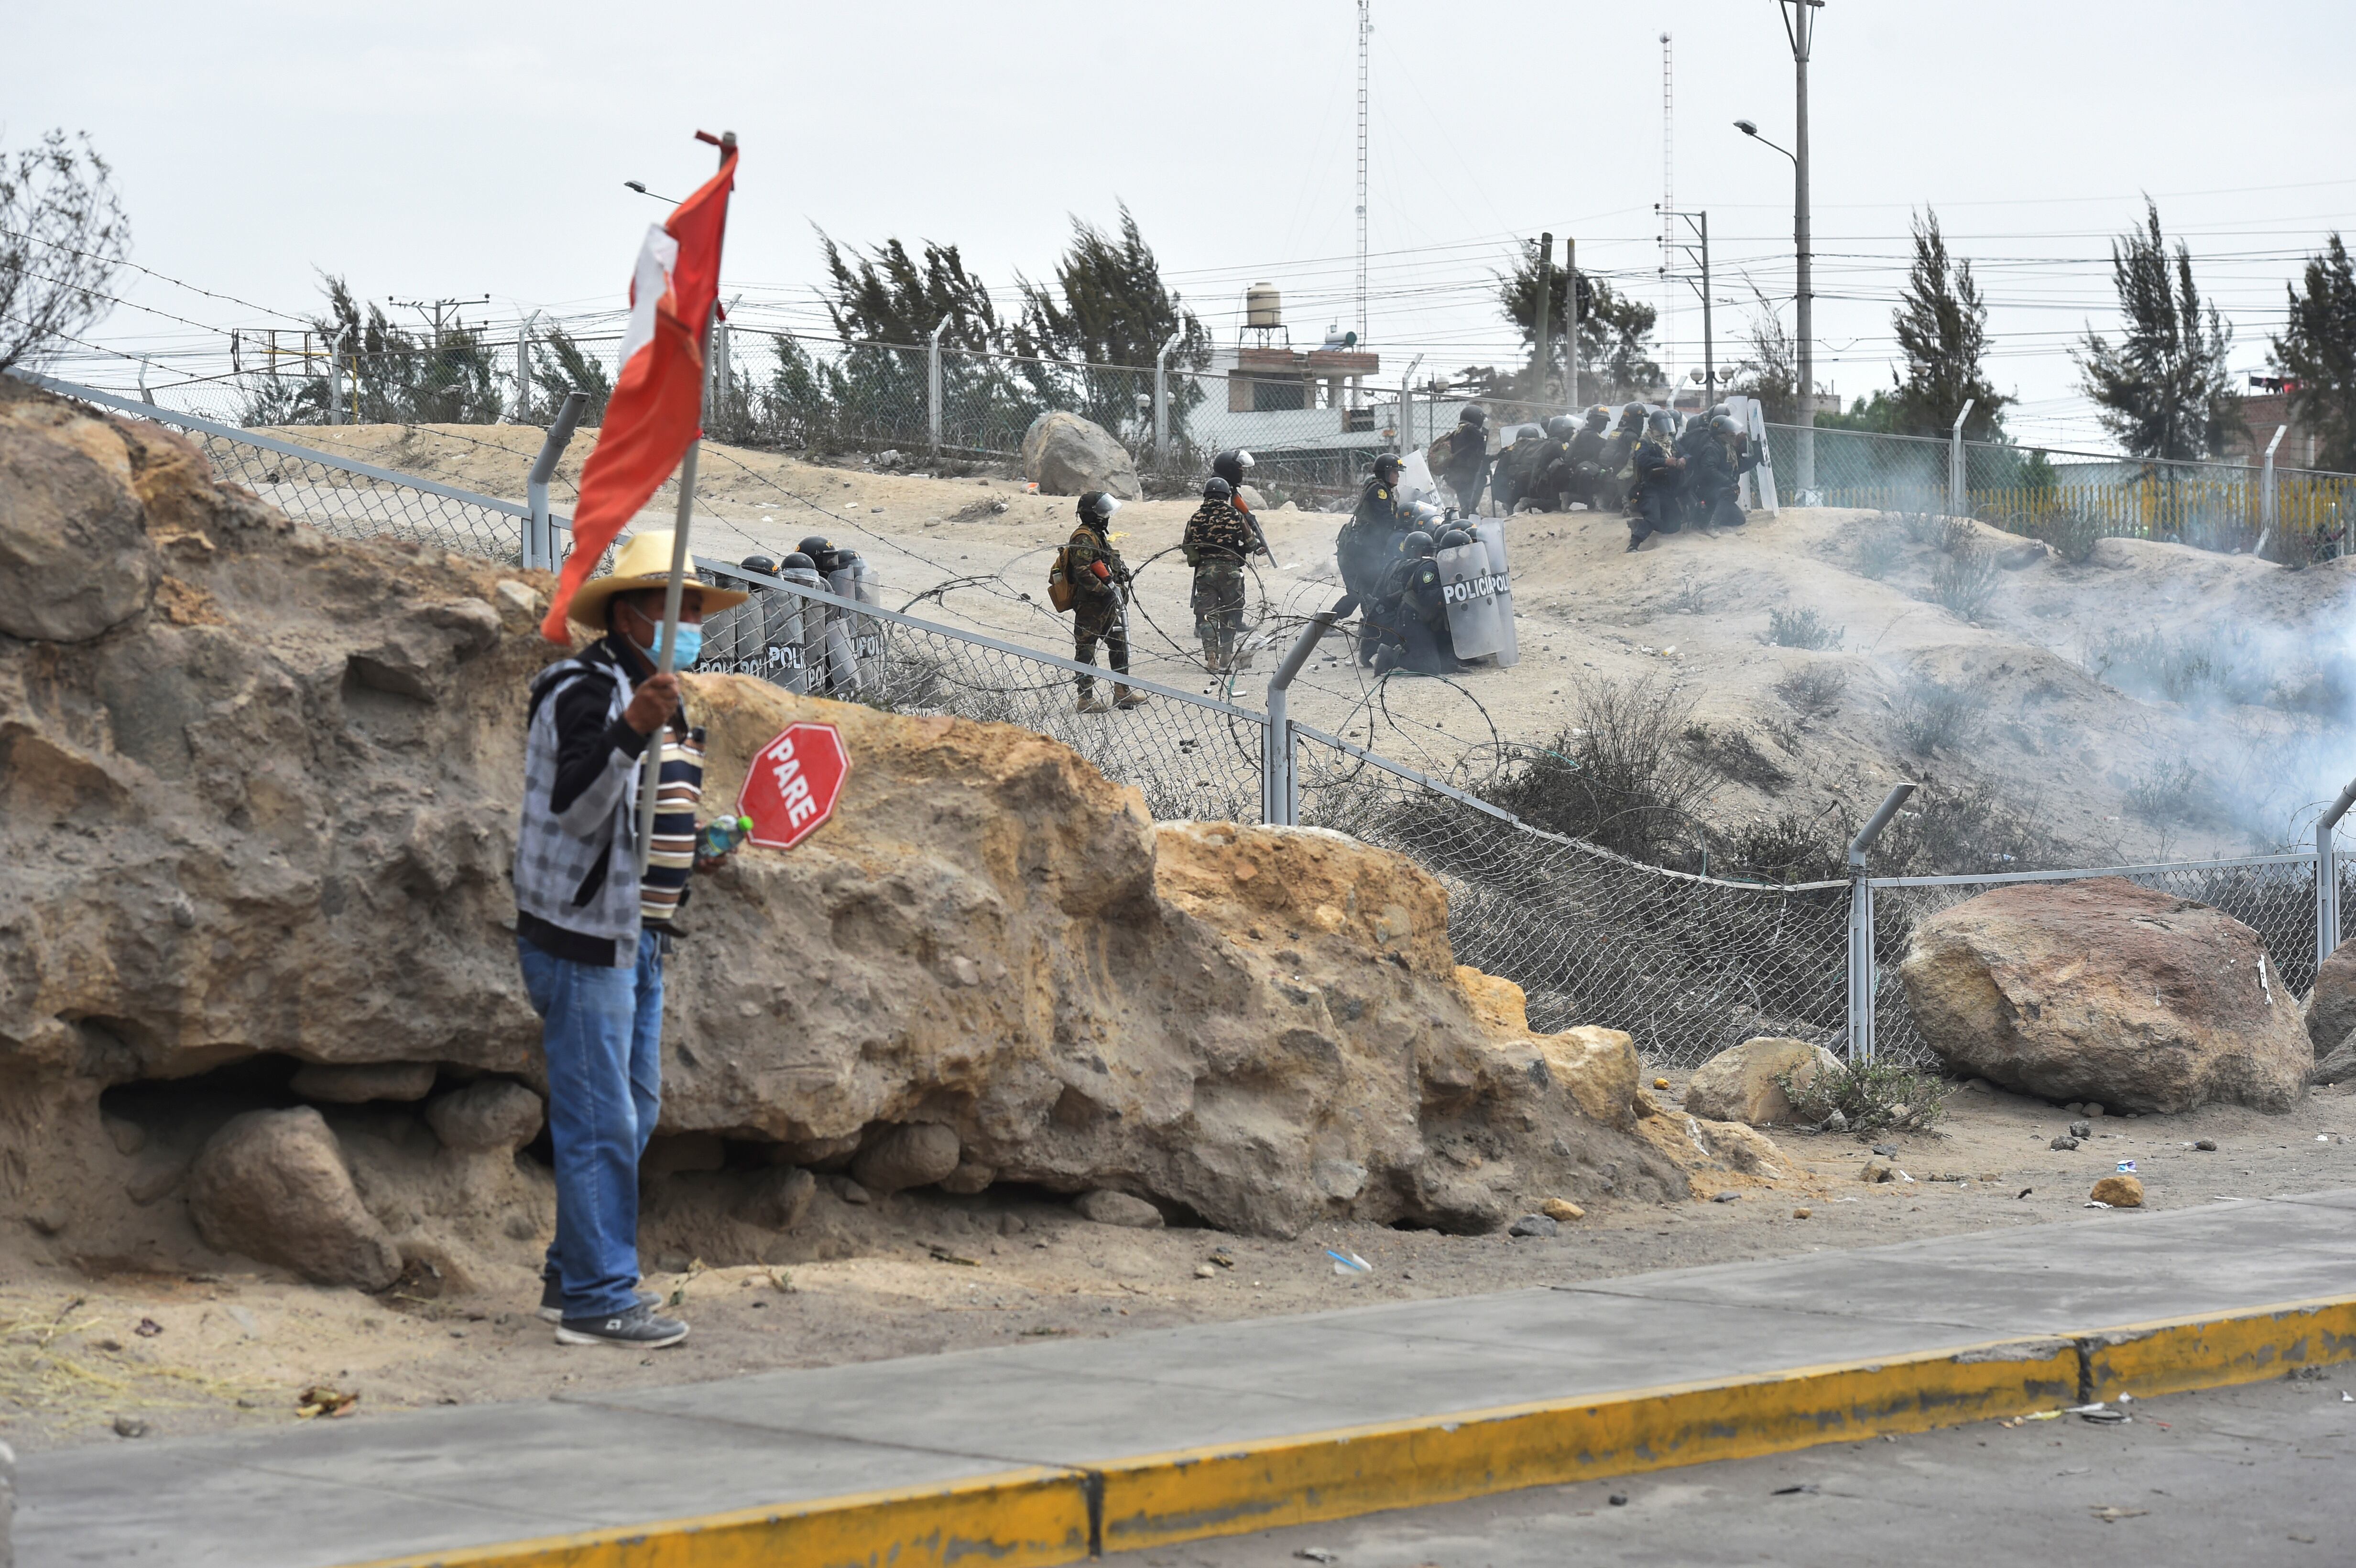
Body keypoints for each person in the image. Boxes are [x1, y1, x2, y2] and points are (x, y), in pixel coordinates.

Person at [513, 530, 749, 1349]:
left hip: (642, 939)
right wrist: (629, 729)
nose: (691, 626)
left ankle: (570, 1274)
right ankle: (599, 1298)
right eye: (676, 608)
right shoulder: (580, 692)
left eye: (697, 612)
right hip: (583, 941)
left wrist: (699, 850)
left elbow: (643, 822)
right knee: (600, 1120)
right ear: (629, 613)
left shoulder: (662, 699)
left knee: (631, 1113)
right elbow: (577, 809)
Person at [1061, 490, 1147, 712]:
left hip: (1106, 602)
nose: (1106, 517)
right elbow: (1082, 571)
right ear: (1092, 514)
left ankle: (1122, 691)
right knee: (1087, 647)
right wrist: (1105, 591)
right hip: (1091, 604)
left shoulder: (1096, 535)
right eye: (1102, 512)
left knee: (1119, 644)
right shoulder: (1084, 537)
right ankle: (1085, 698)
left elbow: (1105, 563)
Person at [1182, 476, 1267, 678]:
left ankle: (1211, 657)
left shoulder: (1196, 517)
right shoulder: (1235, 515)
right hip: (1231, 572)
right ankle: (1226, 657)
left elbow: (1186, 546)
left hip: (1205, 573)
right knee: (1229, 614)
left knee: (1207, 616)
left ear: (1206, 495)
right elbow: (1251, 544)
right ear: (1226, 495)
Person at [1337, 454, 1409, 664]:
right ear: (1385, 473)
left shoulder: (1382, 489)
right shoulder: (1379, 492)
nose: (1397, 476)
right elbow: (1387, 521)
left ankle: (1358, 629)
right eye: (1395, 472)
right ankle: (1330, 625)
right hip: (1359, 552)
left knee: (1363, 592)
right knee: (1365, 593)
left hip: (1364, 550)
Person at [1366, 528, 1462, 675]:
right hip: (1413, 618)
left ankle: (1448, 663)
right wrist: (1453, 589)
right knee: (1430, 668)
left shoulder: (1455, 569)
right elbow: (1428, 598)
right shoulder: (1431, 568)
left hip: (1430, 619)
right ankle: (1391, 657)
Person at [1626, 409, 1687, 550]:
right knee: (1653, 518)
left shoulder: (1670, 441)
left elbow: (1686, 453)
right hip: (1650, 488)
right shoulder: (1645, 442)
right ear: (1653, 425)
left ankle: (1641, 525)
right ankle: (1634, 544)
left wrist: (1684, 459)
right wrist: (1664, 462)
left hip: (1666, 488)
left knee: (1674, 525)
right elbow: (1643, 460)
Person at [1432, 404, 1491, 516]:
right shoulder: (1470, 429)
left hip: (1456, 475)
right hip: (1467, 475)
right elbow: (1479, 451)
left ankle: (1467, 513)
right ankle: (1468, 515)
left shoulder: (1459, 431)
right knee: (1469, 507)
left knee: (1466, 505)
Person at [1211, 447, 1256, 512]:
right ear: (1230, 469)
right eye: (1240, 467)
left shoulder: (1228, 488)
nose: (1242, 470)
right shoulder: (1223, 491)